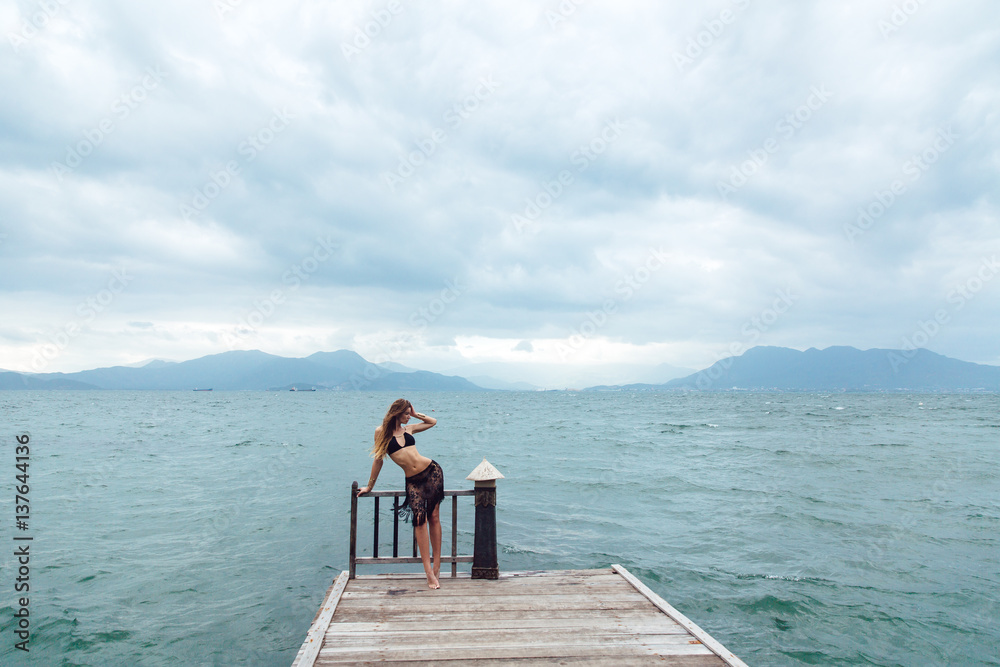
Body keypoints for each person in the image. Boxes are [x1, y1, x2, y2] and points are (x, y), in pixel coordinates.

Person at [357, 399, 444, 589]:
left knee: (434, 518)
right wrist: (369, 487)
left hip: (432, 472)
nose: (407, 416)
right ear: (396, 413)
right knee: (419, 522)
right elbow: (378, 461)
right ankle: (428, 572)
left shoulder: (409, 428)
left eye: (408, 413)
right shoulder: (381, 432)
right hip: (413, 481)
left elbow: (432, 421)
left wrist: (415, 414)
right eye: (405, 413)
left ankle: (437, 565)